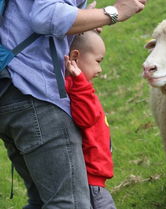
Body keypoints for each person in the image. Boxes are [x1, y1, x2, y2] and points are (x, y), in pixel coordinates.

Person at [0, 0, 147, 208]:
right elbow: (46, 15)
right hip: (35, 94)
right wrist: (115, 12)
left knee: (42, 201)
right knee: (69, 203)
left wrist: (82, 18)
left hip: (10, 92)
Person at [64, 30, 115, 209]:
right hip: (91, 181)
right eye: (98, 61)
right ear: (75, 57)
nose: (100, 69)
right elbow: (86, 118)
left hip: (96, 180)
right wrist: (78, 80)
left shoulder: (80, 87)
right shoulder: (74, 87)